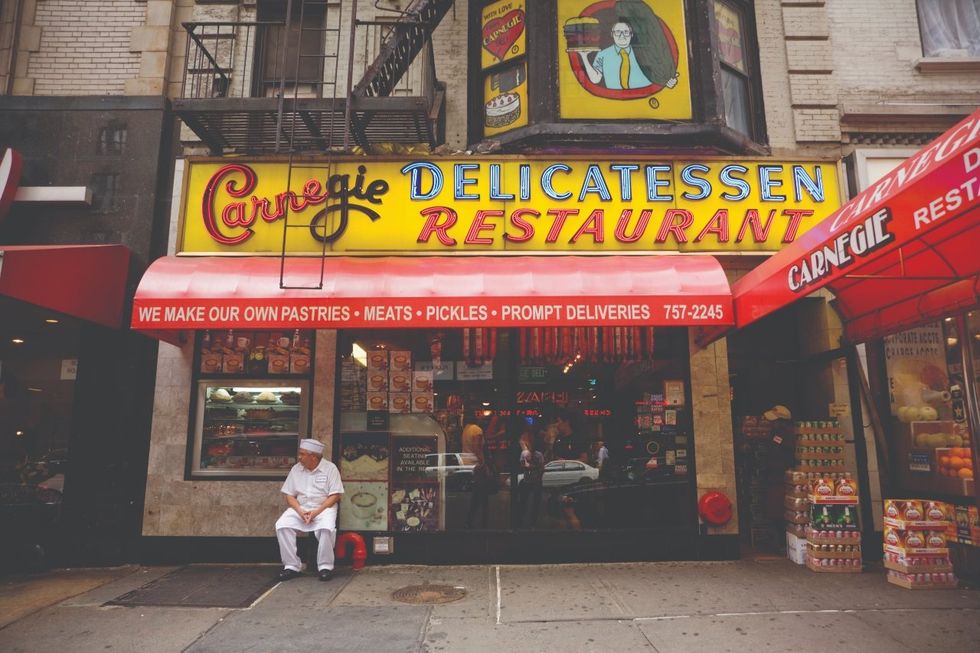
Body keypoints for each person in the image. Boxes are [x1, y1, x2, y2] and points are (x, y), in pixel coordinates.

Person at [275, 438, 344, 581]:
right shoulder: (296, 469)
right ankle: (292, 566)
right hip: (300, 508)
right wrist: (300, 511)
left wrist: (316, 512)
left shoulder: (330, 469)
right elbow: (290, 496)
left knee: (326, 529)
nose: (299, 457)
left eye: (302, 454)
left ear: (313, 456)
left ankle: (325, 567)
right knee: (282, 526)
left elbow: (335, 495)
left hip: (324, 508)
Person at [577, 19, 678, 90]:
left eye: (625, 32)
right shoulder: (603, 55)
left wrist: (667, 81)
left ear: (631, 34)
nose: (622, 36)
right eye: (618, 32)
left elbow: (660, 72)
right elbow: (595, 79)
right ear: (612, 34)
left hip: (644, 98)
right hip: (615, 104)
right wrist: (584, 57)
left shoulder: (645, 52)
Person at [516, 431, 545, 528]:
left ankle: (531, 522)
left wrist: (530, 466)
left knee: (534, 503)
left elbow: (541, 468)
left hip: (534, 481)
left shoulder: (538, 455)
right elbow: (523, 465)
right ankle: (522, 521)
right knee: (524, 502)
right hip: (529, 481)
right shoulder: (525, 453)